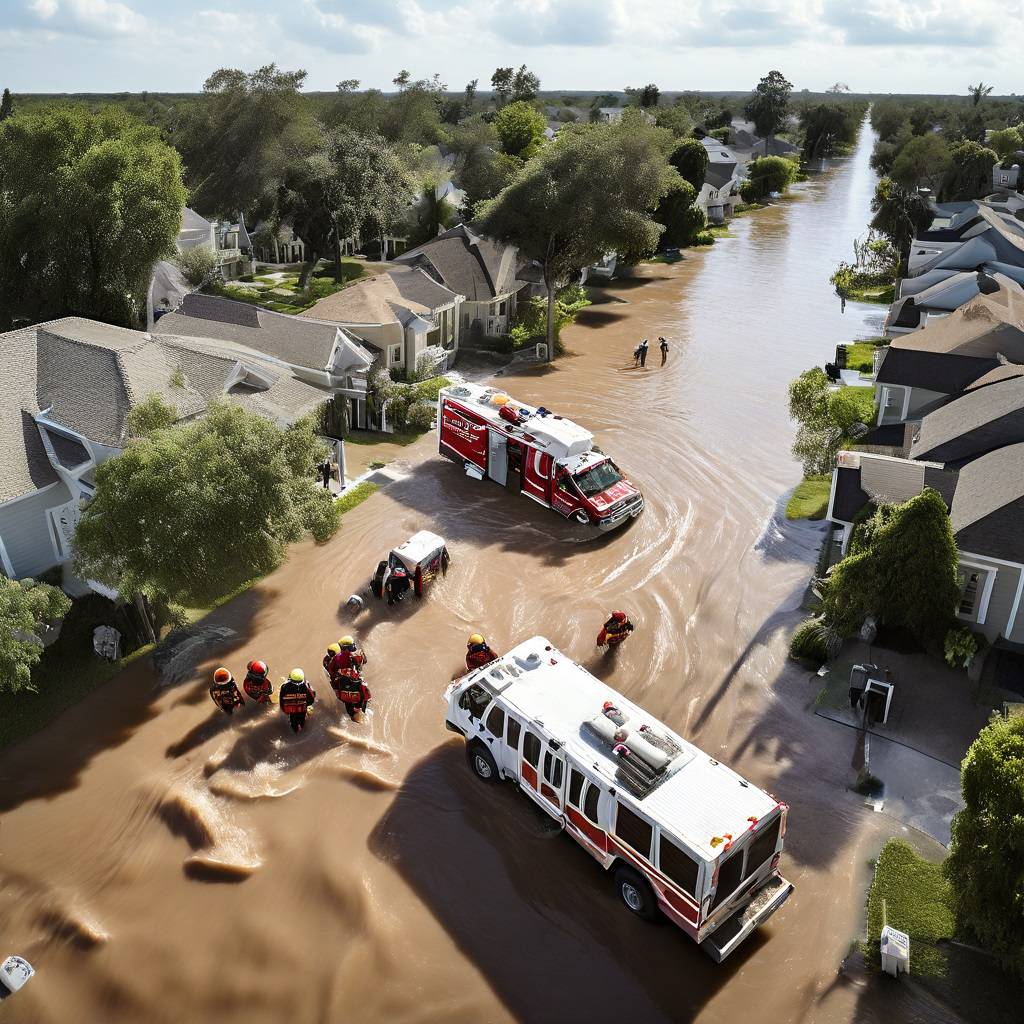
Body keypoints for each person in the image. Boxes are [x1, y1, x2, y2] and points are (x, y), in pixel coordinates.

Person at [279, 668, 316, 733]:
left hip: (291, 710)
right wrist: (307, 705)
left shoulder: (284, 687)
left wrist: (284, 710)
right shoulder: (306, 687)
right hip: (302, 709)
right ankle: (302, 728)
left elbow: (282, 700)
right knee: (302, 720)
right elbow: (312, 699)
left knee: (293, 721)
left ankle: (295, 730)